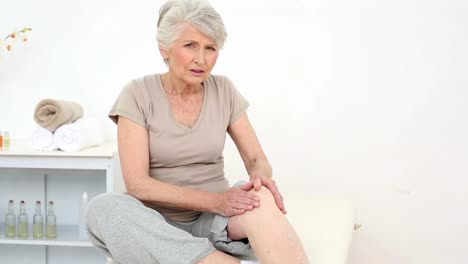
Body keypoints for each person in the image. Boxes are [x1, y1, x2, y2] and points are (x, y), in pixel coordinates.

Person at [85, 0, 309, 263]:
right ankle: (214, 260)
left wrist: (261, 179)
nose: (201, 59)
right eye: (190, 45)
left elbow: (256, 160)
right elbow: (138, 185)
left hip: (214, 224)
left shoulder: (224, 90)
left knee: (258, 197)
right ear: (164, 49)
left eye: (210, 48)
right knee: (103, 208)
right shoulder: (137, 94)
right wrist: (216, 201)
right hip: (155, 226)